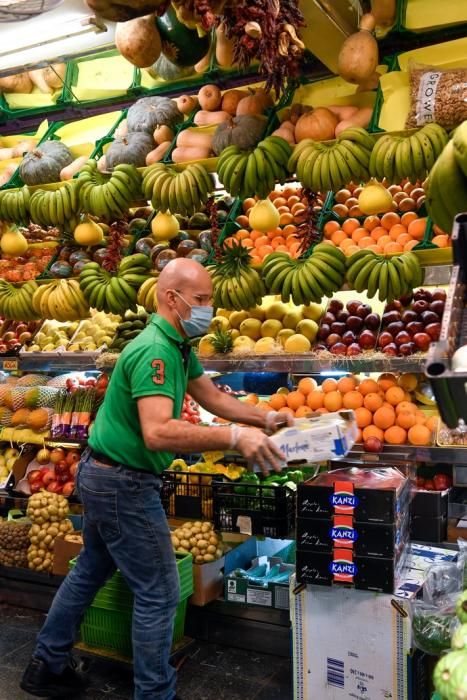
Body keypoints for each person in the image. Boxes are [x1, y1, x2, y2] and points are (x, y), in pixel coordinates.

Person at [21, 258, 292, 700]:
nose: (209, 309)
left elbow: (209, 395)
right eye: (201, 300)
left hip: (105, 474)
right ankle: (154, 693)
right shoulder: (155, 351)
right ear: (173, 298)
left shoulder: (178, 343)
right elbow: (158, 430)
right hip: (122, 484)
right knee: (160, 592)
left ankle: (46, 665)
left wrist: (263, 417)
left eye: (210, 300)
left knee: (90, 570)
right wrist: (233, 437)